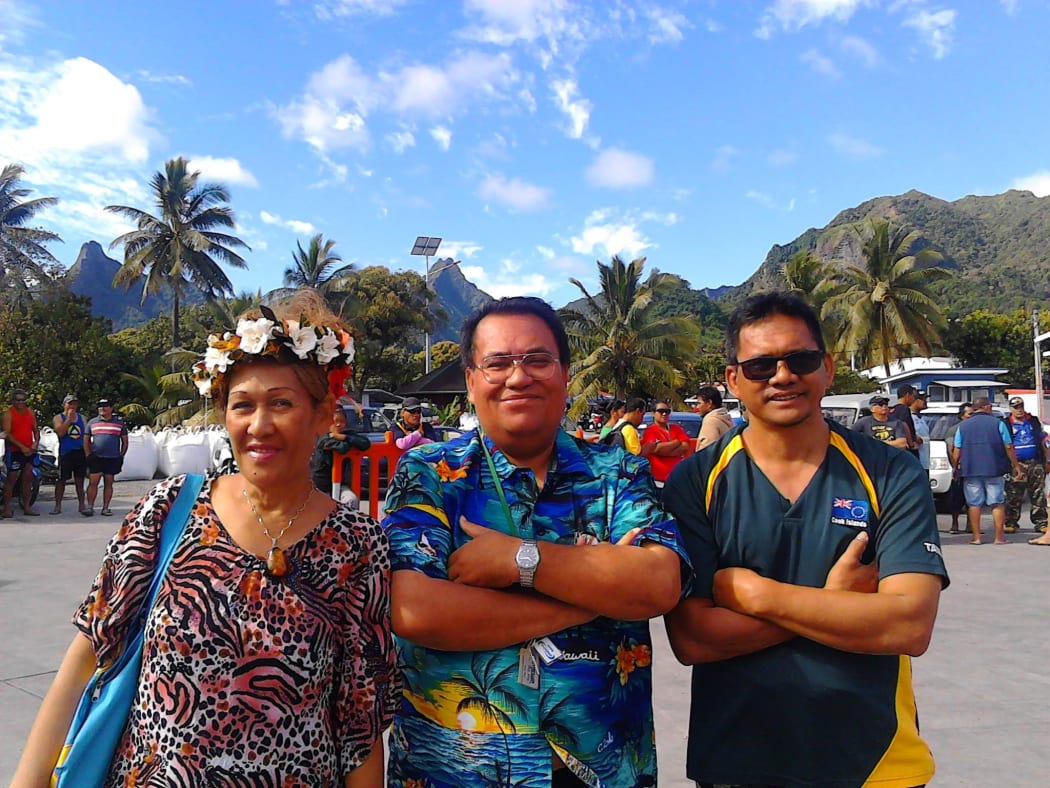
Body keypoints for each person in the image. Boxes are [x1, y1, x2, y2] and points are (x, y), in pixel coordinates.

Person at [13, 292, 396, 786]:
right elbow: (87, 656)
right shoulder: (169, 509)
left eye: (282, 403)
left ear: (324, 415)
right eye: (243, 405)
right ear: (224, 414)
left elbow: (358, 723)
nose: (259, 425)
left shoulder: (358, 545)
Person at [381, 296, 689, 786]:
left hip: (598, 763)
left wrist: (519, 560)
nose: (518, 377)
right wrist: (591, 597)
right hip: (458, 769)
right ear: (470, 380)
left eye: (538, 360)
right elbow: (416, 609)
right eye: (497, 363)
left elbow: (657, 583)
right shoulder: (430, 475)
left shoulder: (617, 473)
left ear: (565, 374)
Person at [663, 291, 948, 788]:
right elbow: (692, 638)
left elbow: (908, 625)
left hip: (876, 762)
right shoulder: (696, 482)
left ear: (827, 367)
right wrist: (834, 604)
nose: (782, 375)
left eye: (801, 359)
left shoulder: (890, 472)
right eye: (760, 366)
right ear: (733, 379)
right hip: (738, 761)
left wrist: (758, 596)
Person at [955, 396, 1022, 545]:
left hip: (971, 470)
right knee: (997, 503)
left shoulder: (963, 426)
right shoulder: (998, 423)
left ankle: (976, 538)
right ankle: (999, 538)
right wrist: (1016, 466)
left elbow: (957, 449)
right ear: (986, 407)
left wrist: (956, 467)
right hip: (994, 469)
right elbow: (1008, 446)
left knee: (974, 504)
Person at [1004, 395, 1048, 534]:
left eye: (1021, 406)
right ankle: (1011, 521)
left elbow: (1044, 440)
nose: (1019, 410)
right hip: (1016, 464)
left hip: (1035, 462)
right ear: (1011, 409)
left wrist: (1047, 460)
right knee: (1014, 494)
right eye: (1016, 407)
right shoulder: (1006, 423)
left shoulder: (1033, 421)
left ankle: (1040, 522)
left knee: (1038, 493)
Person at [311, 406, 371, 497]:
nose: (339, 424)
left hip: (341, 483)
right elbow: (343, 448)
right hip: (320, 484)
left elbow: (365, 443)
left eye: (342, 421)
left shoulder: (347, 434)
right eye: (335, 421)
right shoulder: (322, 437)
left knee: (350, 499)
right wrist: (350, 442)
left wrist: (344, 437)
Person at [83, 398, 129, 517]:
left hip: (112, 458)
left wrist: (121, 455)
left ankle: (106, 508)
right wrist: (88, 454)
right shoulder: (92, 422)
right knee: (93, 482)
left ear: (111, 408)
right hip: (96, 457)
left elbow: (124, 440)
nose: (102, 408)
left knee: (109, 483)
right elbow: (86, 439)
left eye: (105, 406)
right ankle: (90, 507)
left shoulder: (119, 423)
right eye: (100, 406)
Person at [2, 387, 40, 518]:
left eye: (23, 400)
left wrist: (36, 442)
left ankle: (27, 506)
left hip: (29, 450)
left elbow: (36, 429)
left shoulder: (30, 412)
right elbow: (8, 434)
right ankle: (7, 508)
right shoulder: (9, 414)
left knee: (28, 478)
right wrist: (21, 446)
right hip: (15, 451)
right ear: (13, 401)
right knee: (11, 479)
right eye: (18, 400)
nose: (20, 403)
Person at [51, 394, 88, 516]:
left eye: (74, 404)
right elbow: (60, 433)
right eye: (69, 404)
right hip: (66, 452)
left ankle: (82, 505)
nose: (72, 406)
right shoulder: (58, 417)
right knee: (61, 480)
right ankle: (57, 505)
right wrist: (68, 419)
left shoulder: (82, 418)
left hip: (79, 452)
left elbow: (86, 435)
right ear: (64, 405)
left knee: (80, 480)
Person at [641, 399, 690, 486]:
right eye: (661, 411)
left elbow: (685, 447)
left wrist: (665, 450)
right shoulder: (650, 431)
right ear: (653, 413)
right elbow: (657, 450)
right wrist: (677, 442)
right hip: (658, 480)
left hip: (678, 478)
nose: (664, 414)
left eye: (667, 411)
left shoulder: (676, 428)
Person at [946, 401, 974, 534]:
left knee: (972, 498)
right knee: (957, 497)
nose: (972, 416)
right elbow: (951, 449)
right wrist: (955, 467)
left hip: (973, 467)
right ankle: (955, 523)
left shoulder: (976, 428)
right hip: (960, 467)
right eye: (970, 414)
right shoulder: (954, 429)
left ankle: (970, 524)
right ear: (962, 415)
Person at [693, 385, 733, 451]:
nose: (697, 407)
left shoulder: (710, 421)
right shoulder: (724, 418)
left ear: (709, 403)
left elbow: (707, 451)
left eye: (699, 403)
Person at [891, 383, 921, 457]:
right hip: (907, 449)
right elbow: (904, 424)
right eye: (913, 396)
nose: (914, 399)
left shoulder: (892, 410)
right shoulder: (904, 409)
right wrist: (911, 444)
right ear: (907, 395)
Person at [911, 390, 932, 472]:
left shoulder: (922, 418)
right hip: (916, 463)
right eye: (923, 399)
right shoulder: (909, 417)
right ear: (915, 400)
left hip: (925, 462)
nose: (925, 402)